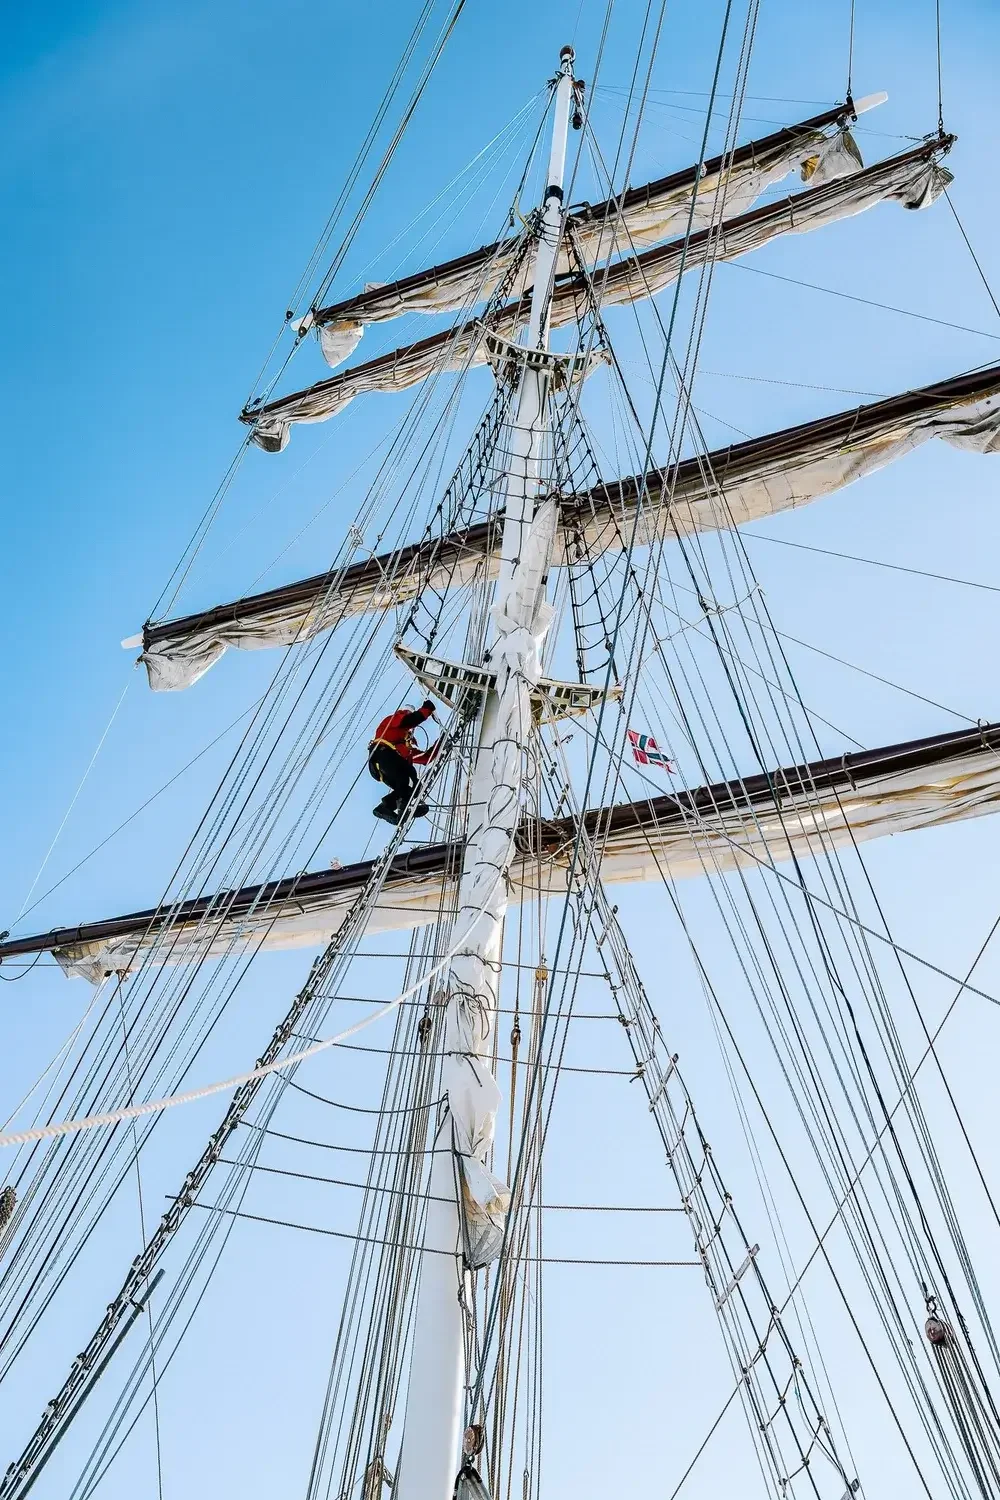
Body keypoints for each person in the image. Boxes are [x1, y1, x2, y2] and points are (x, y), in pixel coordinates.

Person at [368, 700, 438, 824]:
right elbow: (408, 720)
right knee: (408, 773)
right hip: (382, 755)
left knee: (414, 787)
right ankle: (403, 808)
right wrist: (427, 709)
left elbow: (425, 757)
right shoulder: (392, 722)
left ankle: (385, 807)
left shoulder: (403, 747)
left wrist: (441, 743)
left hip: (385, 767)